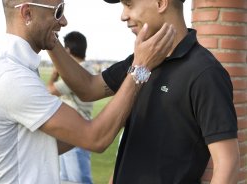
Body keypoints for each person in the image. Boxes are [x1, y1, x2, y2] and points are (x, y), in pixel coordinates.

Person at [0, 0, 175, 183]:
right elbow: (95, 138)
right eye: (58, 11)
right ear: (27, 14)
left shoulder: (13, 68)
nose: (64, 21)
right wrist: (141, 68)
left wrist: (118, 113)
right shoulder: (9, 77)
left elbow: (41, 146)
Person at [47, 0, 240, 183]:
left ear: (161, 3)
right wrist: (50, 39)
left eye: (129, 4)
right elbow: (88, 88)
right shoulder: (140, 60)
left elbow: (227, 164)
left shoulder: (205, 72)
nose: (123, 15)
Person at [47, 31, 94, 184]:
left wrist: (55, 73)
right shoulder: (83, 69)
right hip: (70, 132)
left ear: (67, 50)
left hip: (76, 133)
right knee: (67, 180)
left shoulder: (77, 72)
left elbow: (50, 92)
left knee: (78, 180)